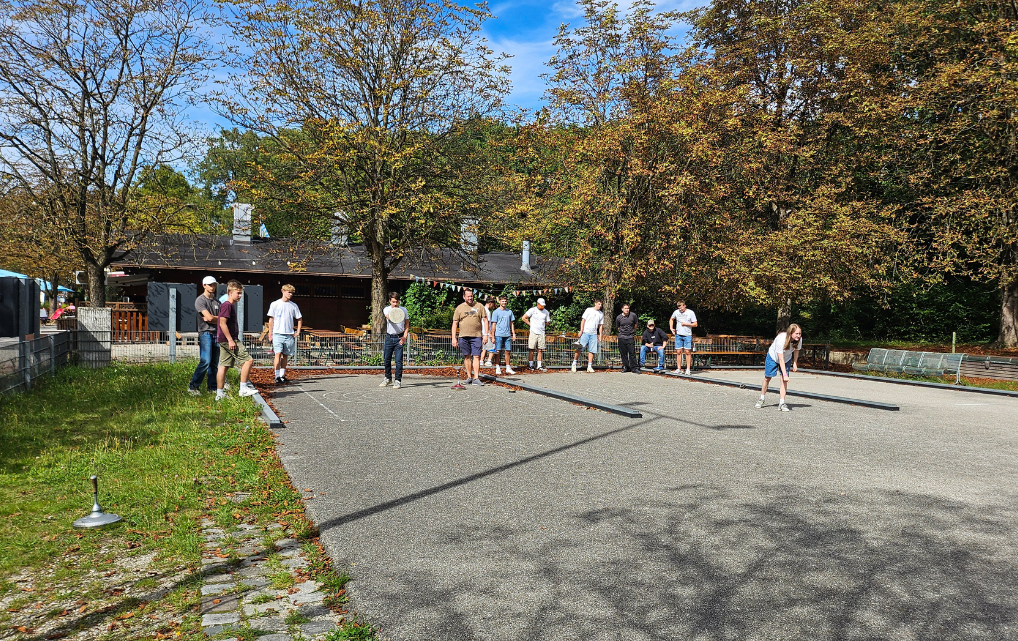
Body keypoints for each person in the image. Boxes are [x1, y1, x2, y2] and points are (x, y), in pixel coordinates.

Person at [216, 280, 257, 400]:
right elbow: (222, 323)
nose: (240, 295)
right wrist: (230, 340)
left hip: (224, 339)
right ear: (230, 292)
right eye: (238, 293)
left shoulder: (228, 305)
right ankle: (243, 389)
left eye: (240, 293)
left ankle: (219, 394)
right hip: (228, 339)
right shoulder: (227, 305)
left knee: (224, 365)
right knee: (248, 360)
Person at [756, 323, 803, 412]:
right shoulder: (781, 339)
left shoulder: (798, 340)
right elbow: (780, 359)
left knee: (783, 380)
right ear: (791, 333)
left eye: (800, 333)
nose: (798, 335)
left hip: (787, 359)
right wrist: (785, 374)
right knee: (767, 377)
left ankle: (782, 403)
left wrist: (795, 362)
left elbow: (797, 350)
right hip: (773, 357)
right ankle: (761, 398)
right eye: (796, 333)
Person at [188, 275, 220, 395]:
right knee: (205, 360)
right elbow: (209, 317)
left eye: (214, 285)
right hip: (205, 333)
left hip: (216, 334)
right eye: (210, 285)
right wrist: (215, 318)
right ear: (204, 285)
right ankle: (193, 386)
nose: (212, 287)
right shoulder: (200, 300)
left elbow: (221, 319)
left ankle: (212, 387)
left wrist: (213, 319)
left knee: (214, 363)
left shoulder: (217, 302)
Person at [266, 284, 302, 384]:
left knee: (285, 355)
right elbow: (271, 319)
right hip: (277, 333)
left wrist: (297, 332)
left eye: (291, 293)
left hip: (289, 334)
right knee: (277, 353)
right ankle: (277, 375)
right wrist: (270, 333)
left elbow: (299, 319)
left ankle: (282, 375)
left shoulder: (294, 305)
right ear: (283, 291)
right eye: (288, 292)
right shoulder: (275, 304)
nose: (290, 294)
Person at [452, 289, 489, 386]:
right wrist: (453, 338)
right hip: (463, 336)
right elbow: (455, 323)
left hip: (477, 336)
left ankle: (476, 377)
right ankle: (469, 377)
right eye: (468, 296)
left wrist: (486, 335)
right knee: (467, 356)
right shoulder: (459, 308)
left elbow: (485, 320)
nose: (470, 298)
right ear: (464, 297)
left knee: (476, 356)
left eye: (471, 296)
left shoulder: (479, 306)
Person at [380, 292, 409, 389]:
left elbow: (407, 324)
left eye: (396, 302)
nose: (395, 304)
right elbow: (390, 318)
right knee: (386, 359)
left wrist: (404, 337)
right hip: (389, 337)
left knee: (399, 361)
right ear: (389, 301)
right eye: (393, 302)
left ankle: (397, 380)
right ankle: (388, 378)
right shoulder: (386, 309)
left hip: (399, 338)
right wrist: (395, 312)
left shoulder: (404, 310)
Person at [571, 300, 604, 373]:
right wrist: (581, 330)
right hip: (586, 332)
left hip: (594, 334)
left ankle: (589, 366)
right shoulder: (589, 310)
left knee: (592, 350)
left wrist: (600, 335)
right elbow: (583, 320)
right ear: (595, 304)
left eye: (601, 304)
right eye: (599, 304)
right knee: (579, 348)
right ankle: (574, 363)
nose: (600, 305)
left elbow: (600, 325)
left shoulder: (601, 314)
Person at [489, 295, 517, 375]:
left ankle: (508, 367)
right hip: (498, 334)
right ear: (499, 302)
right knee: (498, 351)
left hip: (507, 334)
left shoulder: (509, 312)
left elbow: (511, 323)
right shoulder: (495, 312)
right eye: (502, 301)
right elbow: (494, 324)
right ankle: (497, 367)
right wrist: (493, 336)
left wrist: (513, 334)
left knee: (508, 351)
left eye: (505, 301)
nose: (504, 302)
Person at [522, 298, 552, 371]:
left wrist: (542, 325)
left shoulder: (546, 312)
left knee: (540, 349)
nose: (542, 307)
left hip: (541, 332)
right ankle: (531, 365)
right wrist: (531, 325)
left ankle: (539, 365)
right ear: (537, 304)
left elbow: (547, 322)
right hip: (533, 332)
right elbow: (524, 318)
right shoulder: (532, 310)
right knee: (531, 349)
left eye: (543, 305)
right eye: (541, 305)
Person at [669, 300, 698, 375]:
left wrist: (686, 324)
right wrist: (671, 328)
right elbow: (671, 319)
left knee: (687, 352)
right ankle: (678, 368)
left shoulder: (690, 312)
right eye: (679, 308)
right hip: (678, 334)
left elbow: (695, 324)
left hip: (687, 335)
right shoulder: (676, 312)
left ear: (685, 305)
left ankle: (688, 369)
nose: (680, 309)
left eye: (681, 307)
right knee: (678, 352)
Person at [616, 303, 639, 373]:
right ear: (622, 309)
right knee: (623, 353)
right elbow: (618, 327)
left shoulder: (633, 315)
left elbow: (635, 324)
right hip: (622, 337)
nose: (627, 310)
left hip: (630, 337)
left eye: (628, 308)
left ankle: (634, 368)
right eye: (625, 308)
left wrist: (632, 331)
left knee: (632, 353)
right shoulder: (618, 317)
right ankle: (626, 366)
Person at [482, 298, 497, 367]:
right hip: (486, 332)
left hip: (483, 332)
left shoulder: (482, 309)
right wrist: (490, 333)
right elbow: (487, 323)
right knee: (492, 346)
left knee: (484, 347)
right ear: (490, 303)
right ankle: (489, 361)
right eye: (493, 305)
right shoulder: (487, 311)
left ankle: (481, 360)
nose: (492, 307)